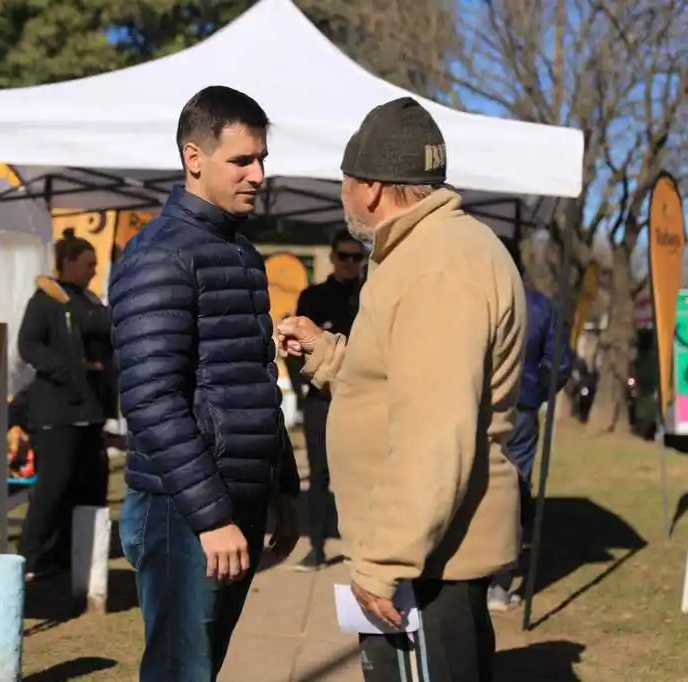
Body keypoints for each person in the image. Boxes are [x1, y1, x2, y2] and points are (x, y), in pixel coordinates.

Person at [277, 97, 526, 682]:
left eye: (342, 184)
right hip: (424, 549)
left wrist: (385, 560)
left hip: (427, 562)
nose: (342, 199)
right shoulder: (421, 252)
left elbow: (437, 431)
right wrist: (328, 355)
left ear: (367, 188)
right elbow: (400, 382)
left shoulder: (437, 266)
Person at [109, 85, 301, 682]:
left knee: (202, 669)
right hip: (182, 509)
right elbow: (150, 399)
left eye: (262, 158)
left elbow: (255, 384)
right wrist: (211, 516)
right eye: (242, 160)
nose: (258, 174)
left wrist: (283, 485)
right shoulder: (160, 255)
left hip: (232, 499)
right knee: (178, 673)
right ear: (195, 158)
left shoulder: (241, 254)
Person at [16, 229, 113, 581]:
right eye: (87, 264)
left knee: (86, 487)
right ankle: (28, 559)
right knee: (52, 489)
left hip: (89, 412)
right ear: (67, 263)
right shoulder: (44, 301)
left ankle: (66, 557)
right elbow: (28, 346)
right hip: (57, 411)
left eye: (96, 264)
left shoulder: (88, 300)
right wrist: (69, 369)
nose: (93, 270)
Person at [488, 283, 574, 611]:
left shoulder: (468, 292)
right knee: (514, 488)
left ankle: (470, 578)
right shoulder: (539, 305)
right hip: (520, 407)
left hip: (473, 404)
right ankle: (500, 584)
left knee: (471, 486)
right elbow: (560, 364)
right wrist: (534, 393)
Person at [290, 229, 364, 571]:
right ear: (333, 257)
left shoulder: (372, 296)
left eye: (356, 257)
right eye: (344, 256)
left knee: (365, 475)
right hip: (322, 398)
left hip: (365, 400)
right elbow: (294, 349)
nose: (350, 263)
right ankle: (317, 547)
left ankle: (365, 547)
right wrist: (307, 383)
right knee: (319, 475)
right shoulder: (314, 297)